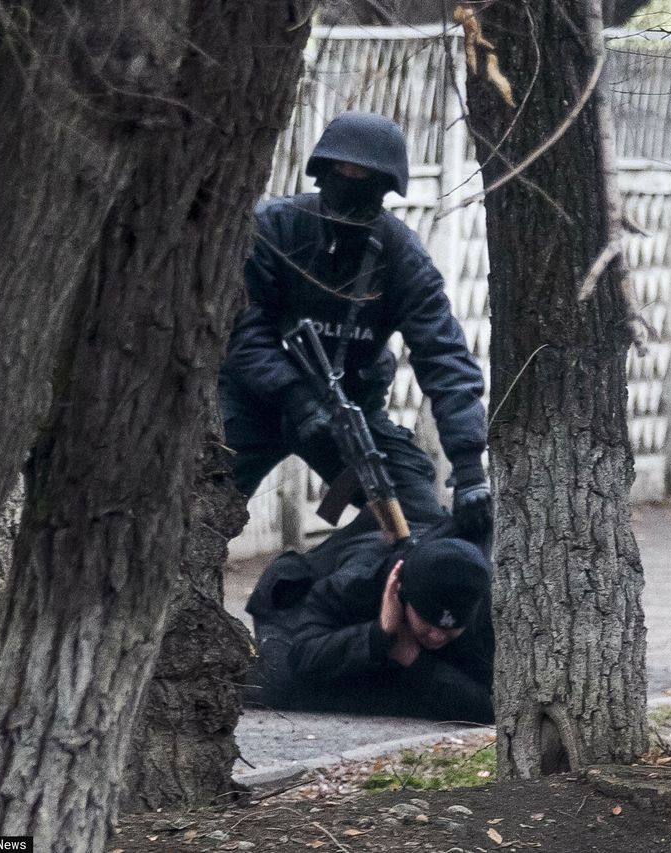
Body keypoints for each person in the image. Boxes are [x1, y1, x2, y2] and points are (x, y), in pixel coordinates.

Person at [219, 110, 491, 537]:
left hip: (348, 413)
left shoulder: (400, 255)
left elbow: (443, 355)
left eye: (367, 177)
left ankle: (339, 588)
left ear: (387, 188)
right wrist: (293, 395)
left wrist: (470, 467)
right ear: (323, 173)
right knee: (196, 513)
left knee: (421, 527)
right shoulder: (274, 229)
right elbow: (241, 330)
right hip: (256, 406)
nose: (352, 183)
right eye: (343, 171)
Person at [245, 516, 494, 724]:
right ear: (401, 594)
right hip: (293, 604)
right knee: (283, 690)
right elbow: (304, 655)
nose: (438, 636)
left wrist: (415, 660)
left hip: (379, 639)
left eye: (450, 629)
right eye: (428, 623)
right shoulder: (357, 581)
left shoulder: (483, 604)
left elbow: (494, 706)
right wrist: (379, 634)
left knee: (403, 691)